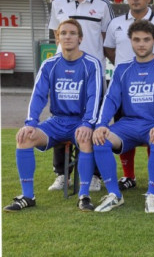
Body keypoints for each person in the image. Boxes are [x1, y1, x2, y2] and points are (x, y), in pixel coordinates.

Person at [4, 20, 102, 212]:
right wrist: (31, 122)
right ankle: (27, 196)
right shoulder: (49, 64)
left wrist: (87, 123)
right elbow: (38, 95)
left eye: (72, 33)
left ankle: (84, 196)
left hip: (80, 121)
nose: (67, 36)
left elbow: (94, 97)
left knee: (85, 139)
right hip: (56, 121)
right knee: (24, 137)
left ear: (80, 38)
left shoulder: (91, 64)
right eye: (63, 33)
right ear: (57, 38)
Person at [92, 20, 154, 213]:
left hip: (153, 124)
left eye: (146, 39)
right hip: (128, 125)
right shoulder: (122, 69)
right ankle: (114, 195)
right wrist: (101, 124)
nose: (141, 44)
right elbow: (111, 99)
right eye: (137, 39)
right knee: (99, 139)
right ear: (130, 41)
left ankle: (152, 194)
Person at [48, 0, 114, 193]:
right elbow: (55, 36)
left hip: (92, 73)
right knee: (59, 116)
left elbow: (109, 40)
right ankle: (61, 175)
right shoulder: (57, 4)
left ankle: (94, 175)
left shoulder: (103, 5)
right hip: (65, 73)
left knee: (94, 121)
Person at [104, 0, 154, 191]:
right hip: (125, 86)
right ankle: (129, 176)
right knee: (124, 129)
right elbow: (108, 48)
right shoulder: (116, 23)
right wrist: (125, 68)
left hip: (151, 85)